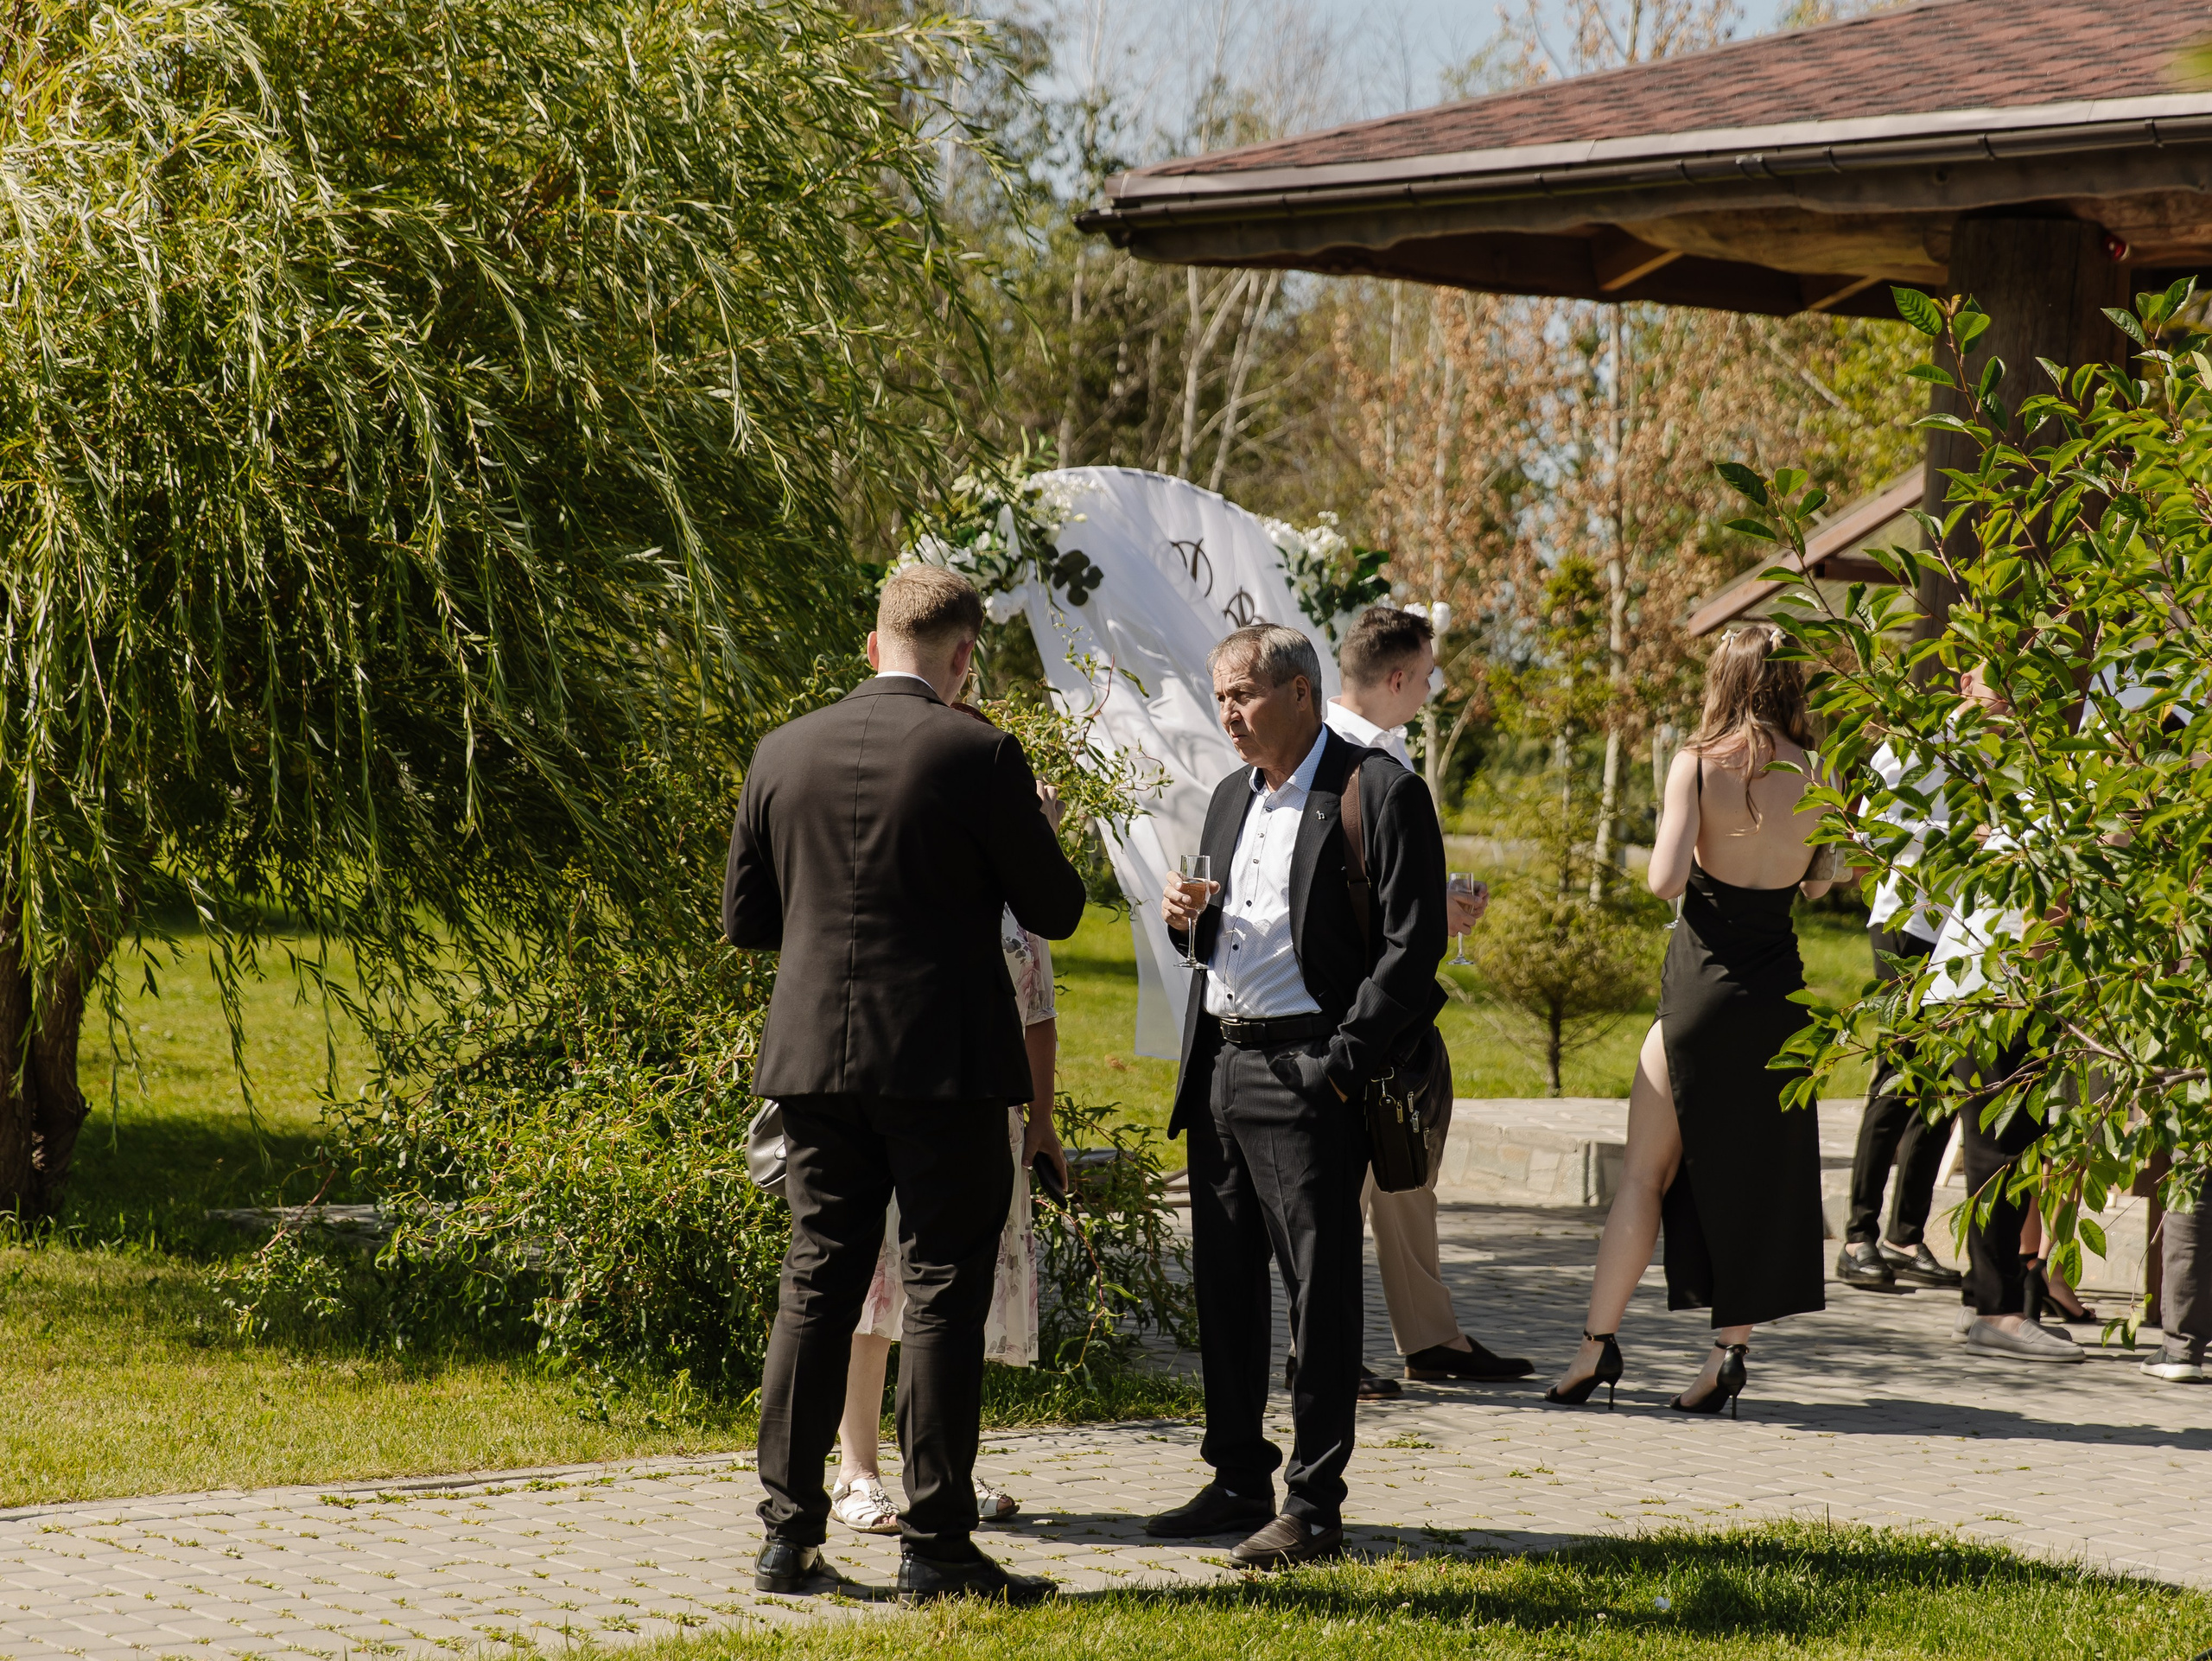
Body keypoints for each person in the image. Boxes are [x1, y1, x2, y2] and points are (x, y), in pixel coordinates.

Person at [723, 563, 1087, 1603]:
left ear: (872, 644)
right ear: (964, 657)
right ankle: (936, 1545)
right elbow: (1056, 908)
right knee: (939, 1294)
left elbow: (748, 921)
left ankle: (787, 1537)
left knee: (816, 1284)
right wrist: (1029, 831)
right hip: (942, 1064)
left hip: (813, 1061)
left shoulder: (781, 749)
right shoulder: (982, 753)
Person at [1146, 623, 1446, 1569]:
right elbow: (1227, 941)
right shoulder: (1231, 795)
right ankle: (1238, 1476)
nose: (1227, 714)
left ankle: (1313, 1505)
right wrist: (1188, 925)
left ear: (1301, 693)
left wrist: (1342, 1065)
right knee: (1225, 1289)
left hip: (1312, 1075)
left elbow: (1413, 948)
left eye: (1242, 694)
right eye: (1220, 697)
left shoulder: (1377, 790)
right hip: (1223, 1068)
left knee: (1319, 1297)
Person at [1543, 621, 1832, 1417]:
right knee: (1755, 1181)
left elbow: (1665, 880)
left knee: (1644, 1175)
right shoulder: (1821, 772)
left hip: (1702, 993)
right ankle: (1728, 1356)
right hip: (1780, 1003)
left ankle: (1597, 1347)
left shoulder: (1698, 763)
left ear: (1725, 681)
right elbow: (1818, 885)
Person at [1323, 605, 1532, 1388]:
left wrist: (1433, 905)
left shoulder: (1390, 750)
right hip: (1350, 1007)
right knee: (1343, 1189)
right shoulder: (1325, 755)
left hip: (1397, 1005)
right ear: (1397, 677)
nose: (1433, 689)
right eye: (1429, 675)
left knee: (1404, 1172)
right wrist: (1421, 915)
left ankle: (1431, 1338)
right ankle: (1321, 1350)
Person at [829, 898, 1066, 1534]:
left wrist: (1042, 1120)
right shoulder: (916, 861)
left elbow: (1039, 1013)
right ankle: (856, 1470)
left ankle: (942, 1469)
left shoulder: (1021, 889)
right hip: (897, 1106)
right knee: (878, 1287)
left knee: (957, 1299)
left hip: (987, 1114)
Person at [1922, 664, 2082, 1364]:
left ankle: (1989, 1302)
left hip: (1991, 986)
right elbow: (2043, 910)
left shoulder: (2027, 786)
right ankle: (1997, 1312)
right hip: (1996, 990)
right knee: (2001, 1148)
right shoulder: (2038, 789)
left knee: (2008, 1144)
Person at [1835, 741, 1963, 1295]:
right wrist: (1957, 836)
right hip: (1909, 926)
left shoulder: (2010, 750)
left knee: (1945, 1087)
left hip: (1968, 937)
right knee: (1897, 1078)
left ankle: (1905, 1239)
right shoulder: (1915, 744)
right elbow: (1871, 834)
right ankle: (1857, 1238)